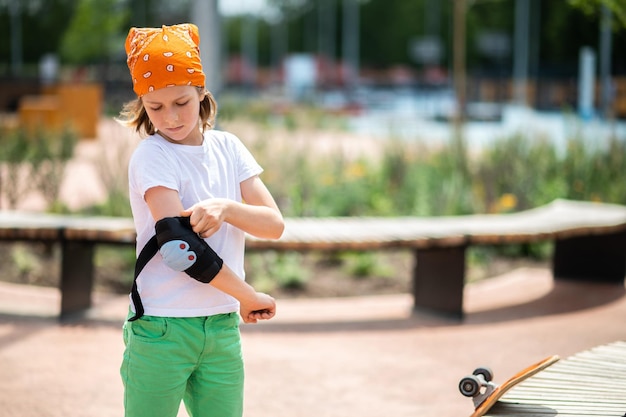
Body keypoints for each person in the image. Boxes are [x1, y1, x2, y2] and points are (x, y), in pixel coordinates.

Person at [118, 23, 284, 417]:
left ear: (201, 93)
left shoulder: (229, 147)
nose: (171, 118)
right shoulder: (152, 155)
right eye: (155, 107)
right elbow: (179, 248)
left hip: (222, 326)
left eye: (182, 102)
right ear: (143, 103)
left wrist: (226, 208)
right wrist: (248, 296)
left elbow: (273, 224)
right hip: (162, 327)